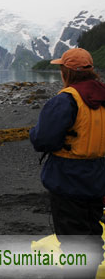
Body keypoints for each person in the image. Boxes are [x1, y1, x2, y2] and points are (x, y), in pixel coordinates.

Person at [29, 48, 105, 260]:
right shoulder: (103, 97)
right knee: (91, 232)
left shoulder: (65, 101)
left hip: (68, 179)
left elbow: (43, 140)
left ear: (66, 72)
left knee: (73, 238)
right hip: (98, 177)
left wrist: (34, 132)